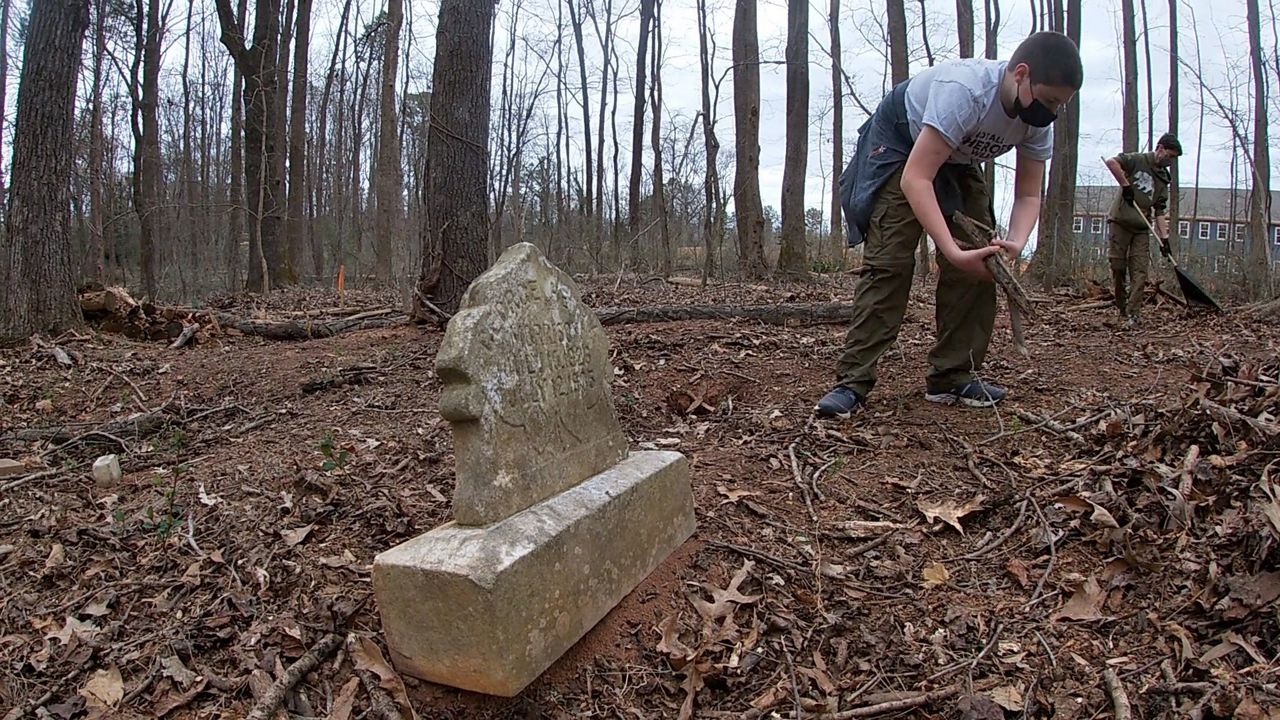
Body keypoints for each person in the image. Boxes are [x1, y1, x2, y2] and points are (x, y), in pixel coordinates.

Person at [816, 31, 1084, 419]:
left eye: (1061, 104)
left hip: (958, 158)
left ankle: (952, 376)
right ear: (1021, 74)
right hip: (901, 145)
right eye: (1048, 100)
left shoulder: (1037, 119)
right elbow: (916, 179)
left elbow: (1029, 194)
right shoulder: (966, 91)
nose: (1051, 112)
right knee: (890, 263)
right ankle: (852, 382)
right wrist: (952, 251)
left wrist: (1015, 242)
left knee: (983, 262)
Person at [1104, 133, 1182, 327]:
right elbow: (1112, 162)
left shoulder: (1163, 178)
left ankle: (1133, 313)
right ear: (1160, 148)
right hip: (1120, 222)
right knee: (1118, 268)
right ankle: (1121, 308)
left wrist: (1165, 239)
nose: (1170, 161)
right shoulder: (1137, 160)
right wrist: (1126, 186)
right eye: (1170, 156)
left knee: (1139, 271)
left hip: (1141, 228)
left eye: (1174, 159)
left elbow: (1160, 211)